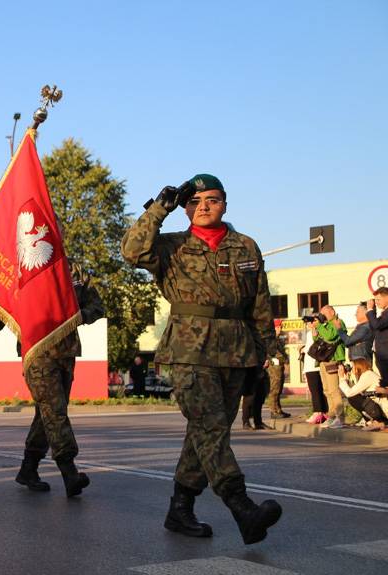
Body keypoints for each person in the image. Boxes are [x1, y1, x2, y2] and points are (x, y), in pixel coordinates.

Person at [122, 173, 282, 545]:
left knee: (207, 433)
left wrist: (267, 351)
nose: (203, 207)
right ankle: (243, 508)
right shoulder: (171, 246)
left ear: (225, 203)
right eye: (193, 202)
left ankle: (180, 508)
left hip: (237, 351)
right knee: (210, 428)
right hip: (190, 351)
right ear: (185, 208)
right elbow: (131, 250)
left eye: (211, 199)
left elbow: (260, 303)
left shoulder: (245, 247)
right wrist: (160, 207)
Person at [15, 258, 104, 497]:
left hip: (65, 352)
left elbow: (97, 307)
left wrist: (75, 315)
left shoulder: (73, 269)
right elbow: (9, 307)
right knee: (54, 410)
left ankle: (28, 468)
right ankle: (69, 471)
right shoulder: (24, 269)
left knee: (48, 412)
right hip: (37, 351)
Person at [314, 306, 346, 429]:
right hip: (323, 360)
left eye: (324, 313)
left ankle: (340, 417)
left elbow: (330, 337)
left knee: (334, 390)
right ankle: (331, 416)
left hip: (333, 359)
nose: (322, 316)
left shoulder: (337, 322)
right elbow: (319, 340)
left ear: (332, 312)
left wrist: (320, 326)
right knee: (327, 390)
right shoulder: (325, 325)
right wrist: (315, 330)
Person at [338, 358, 388, 430]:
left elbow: (349, 393)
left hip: (385, 409)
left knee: (354, 398)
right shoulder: (365, 375)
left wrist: (341, 378)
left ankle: (379, 421)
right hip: (381, 407)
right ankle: (376, 421)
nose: (350, 370)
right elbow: (351, 391)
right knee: (355, 397)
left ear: (358, 367)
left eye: (352, 367)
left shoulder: (368, 375)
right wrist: (345, 378)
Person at [300, 319, 328, 424]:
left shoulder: (313, 333)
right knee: (319, 390)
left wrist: (304, 349)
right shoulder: (315, 332)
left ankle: (318, 412)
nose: (307, 324)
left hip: (312, 366)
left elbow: (312, 348)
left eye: (309, 322)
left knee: (315, 391)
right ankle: (324, 412)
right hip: (313, 366)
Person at [266, 320, 290, 418]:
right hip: (274, 367)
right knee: (274, 389)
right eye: (278, 327)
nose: (280, 328)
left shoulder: (278, 339)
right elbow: (269, 353)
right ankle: (273, 411)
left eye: (280, 326)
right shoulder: (270, 339)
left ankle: (278, 409)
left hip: (280, 366)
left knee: (279, 389)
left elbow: (282, 352)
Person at [366, 287, 388, 379]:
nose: (376, 302)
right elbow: (374, 327)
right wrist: (372, 311)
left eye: (378, 299)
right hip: (381, 354)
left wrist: (370, 310)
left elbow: (376, 325)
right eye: (375, 300)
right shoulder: (384, 313)